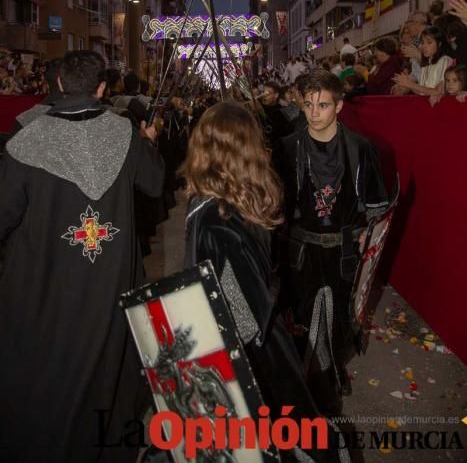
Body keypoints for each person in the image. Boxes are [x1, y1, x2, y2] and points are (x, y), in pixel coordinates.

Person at [0, 50, 165, 463]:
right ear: (101, 88)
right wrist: (149, 144)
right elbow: (156, 184)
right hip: (107, 286)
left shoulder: (24, 141)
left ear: (57, 85)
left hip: (45, 289)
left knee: (45, 382)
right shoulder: (126, 134)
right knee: (108, 377)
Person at [182, 102, 347, 463]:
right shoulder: (250, 198)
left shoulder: (213, 215)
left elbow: (241, 312)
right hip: (268, 335)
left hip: (249, 347)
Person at [277, 70, 388, 417]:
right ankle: (314, 384)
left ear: (338, 105)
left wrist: (364, 243)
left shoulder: (361, 149)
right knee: (304, 318)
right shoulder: (287, 148)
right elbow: (275, 206)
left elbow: (376, 207)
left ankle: (332, 371)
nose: (314, 112)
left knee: (338, 317)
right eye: (308, 104)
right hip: (300, 249)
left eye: (323, 105)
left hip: (343, 250)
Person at [393, 26, 452, 96]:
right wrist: (405, 83)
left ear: (439, 44)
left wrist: (410, 84)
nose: (424, 46)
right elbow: (422, 92)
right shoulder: (426, 64)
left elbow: (438, 92)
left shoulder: (445, 60)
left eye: (429, 42)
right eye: (423, 42)